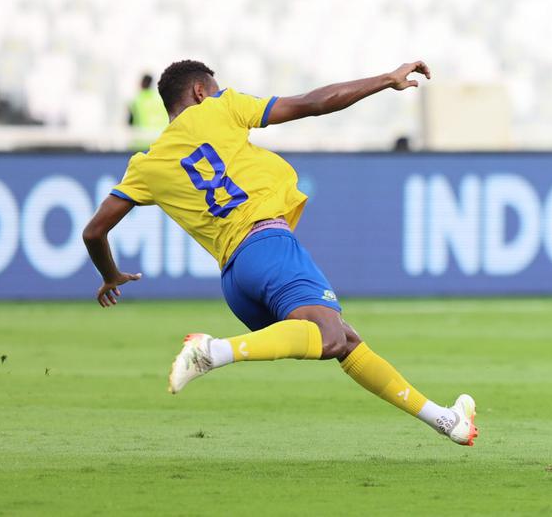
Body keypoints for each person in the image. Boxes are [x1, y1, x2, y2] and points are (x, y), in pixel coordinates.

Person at [81, 60, 478, 446]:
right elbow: (314, 103)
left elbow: (94, 232)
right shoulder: (222, 107)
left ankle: (445, 421)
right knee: (330, 337)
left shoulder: (146, 166)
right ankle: (212, 350)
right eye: (213, 89)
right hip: (266, 244)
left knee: (345, 340)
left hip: (235, 279)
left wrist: (110, 275)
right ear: (200, 92)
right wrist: (385, 80)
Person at [128, 73, 169, 150]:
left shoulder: (136, 100)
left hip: (140, 142)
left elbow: (130, 122)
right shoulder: (160, 99)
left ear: (141, 83)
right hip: (158, 141)